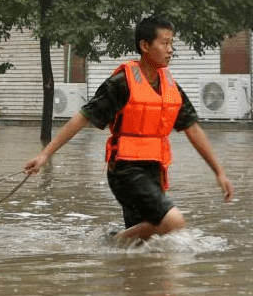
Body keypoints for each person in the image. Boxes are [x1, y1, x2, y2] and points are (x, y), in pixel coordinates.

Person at [24, 16, 234, 244]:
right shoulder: (122, 83)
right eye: (164, 43)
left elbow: (193, 129)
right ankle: (114, 242)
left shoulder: (170, 86)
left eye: (171, 43)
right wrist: (45, 154)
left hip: (154, 171)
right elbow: (82, 117)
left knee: (140, 244)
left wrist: (219, 172)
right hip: (125, 171)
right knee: (174, 222)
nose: (170, 50)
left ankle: (118, 256)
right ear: (145, 46)